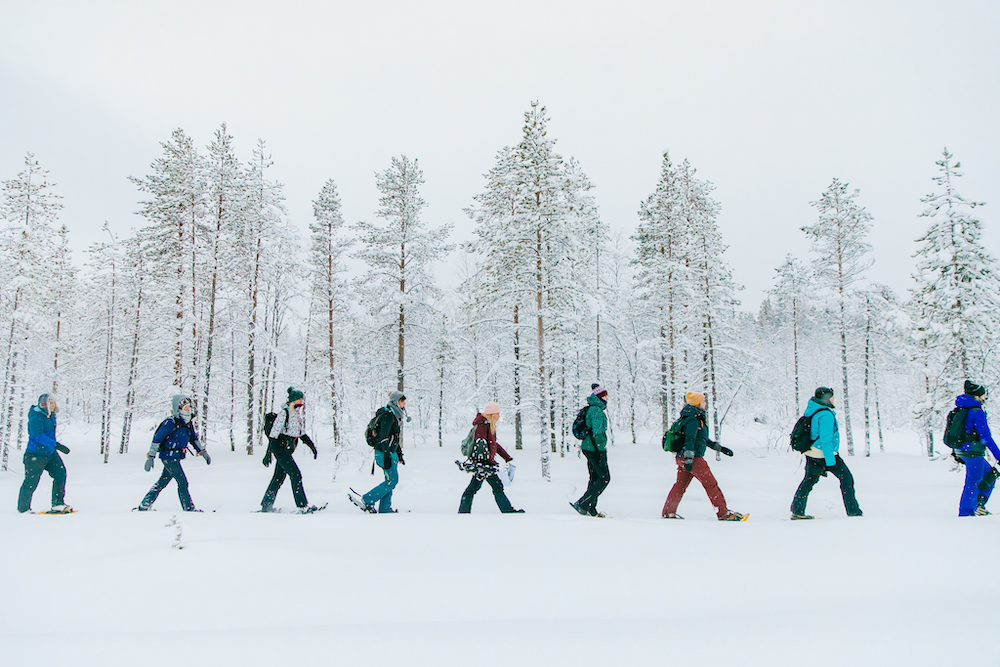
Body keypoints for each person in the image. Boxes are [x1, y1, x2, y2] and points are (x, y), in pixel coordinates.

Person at [662, 391, 745, 521]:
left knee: (680, 486)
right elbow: (690, 439)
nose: (705, 404)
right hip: (693, 458)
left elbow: (701, 439)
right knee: (711, 485)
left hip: (684, 457)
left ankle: (668, 513)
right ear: (698, 403)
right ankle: (723, 513)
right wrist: (689, 457)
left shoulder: (690, 417)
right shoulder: (693, 419)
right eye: (704, 401)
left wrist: (719, 448)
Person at [789, 387, 862, 520]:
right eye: (831, 397)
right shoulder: (826, 415)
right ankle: (853, 511)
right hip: (824, 454)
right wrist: (830, 461)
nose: (834, 399)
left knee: (808, 481)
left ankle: (797, 510)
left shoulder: (812, 410)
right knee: (846, 479)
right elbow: (826, 440)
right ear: (826, 398)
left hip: (812, 453)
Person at [138, 395, 211, 512]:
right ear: (178, 408)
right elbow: (157, 439)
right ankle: (189, 509)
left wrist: (202, 452)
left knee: (162, 482)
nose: (187, 410)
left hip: (175, 457)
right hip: (168, 457)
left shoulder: (187, 423)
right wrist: (150, 457)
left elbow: (194, 439)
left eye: (188, 407)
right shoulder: (170, 422)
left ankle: (144, 505)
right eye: (185, 408)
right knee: (183, 482)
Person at [260, 387, 319, 513]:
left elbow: (301, 433)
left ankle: (266, 505)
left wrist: (312, 446)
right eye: (299, 400)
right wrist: (268, 454)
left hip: (286, 451)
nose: (302, 402)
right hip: (280, 450)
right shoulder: (284, 414)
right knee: (296, 474)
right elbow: (274, 434)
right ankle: (302, 506)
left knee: (278, 479)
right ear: (293, 401)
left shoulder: (296, 414)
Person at [457, 401, 522, 513]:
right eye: (497, 414)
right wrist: (484, 465)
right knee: (496, 487)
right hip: (484, 466)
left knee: (474, 489)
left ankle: (463, 512)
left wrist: (506, 457)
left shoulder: (488, 426)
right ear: (492, 414)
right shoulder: (482, 427)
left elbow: (493, 445)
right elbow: (480, 445)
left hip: (485, 465)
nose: (499, 416)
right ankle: (508, 511)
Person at [18, 393, 72, 514]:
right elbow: (38, 436)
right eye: (50, 403)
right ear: (44, 404)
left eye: (54, 403)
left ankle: (58, 503)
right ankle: (23, 509)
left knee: (60, 474)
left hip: (50, 454)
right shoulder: (36, 417)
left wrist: (53, 447)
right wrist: (56, 445)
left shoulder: (50, 416)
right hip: (35, 455)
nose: (53, 405)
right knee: (31, 481)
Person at [952, 381, 998, 517]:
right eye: (983, 395)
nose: (984, 398)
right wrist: (998, 455)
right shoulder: (976, 412)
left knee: (990, 474)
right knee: (973, 481)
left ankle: (978, 506)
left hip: (962, 450)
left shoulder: (961, 408)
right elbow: (986, 437)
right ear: (977, 396)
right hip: (973, 452)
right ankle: (966, 513)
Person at [359, 391, 408, 513]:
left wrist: (399, 455)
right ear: (396, 402)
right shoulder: (388, 416)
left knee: (389, 481)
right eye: (402, 401)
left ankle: (385, 508)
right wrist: (386, 455)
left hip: (391, 453)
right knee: (392, 481)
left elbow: (394, 438)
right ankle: (368, 499)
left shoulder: (395, 415)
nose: (404, 403)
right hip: (384, 453)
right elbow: (384, 437)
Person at [571, 385, 612, 517]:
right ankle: (583, 503)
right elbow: (598, 432)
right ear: (600, 397)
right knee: (604, 478)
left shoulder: (594, 409)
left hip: (589, 447)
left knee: (595, 478)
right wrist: (601, 450)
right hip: (595, 449)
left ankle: (590, 507)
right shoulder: (596, 411)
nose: (607, 398)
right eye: (605, 396)